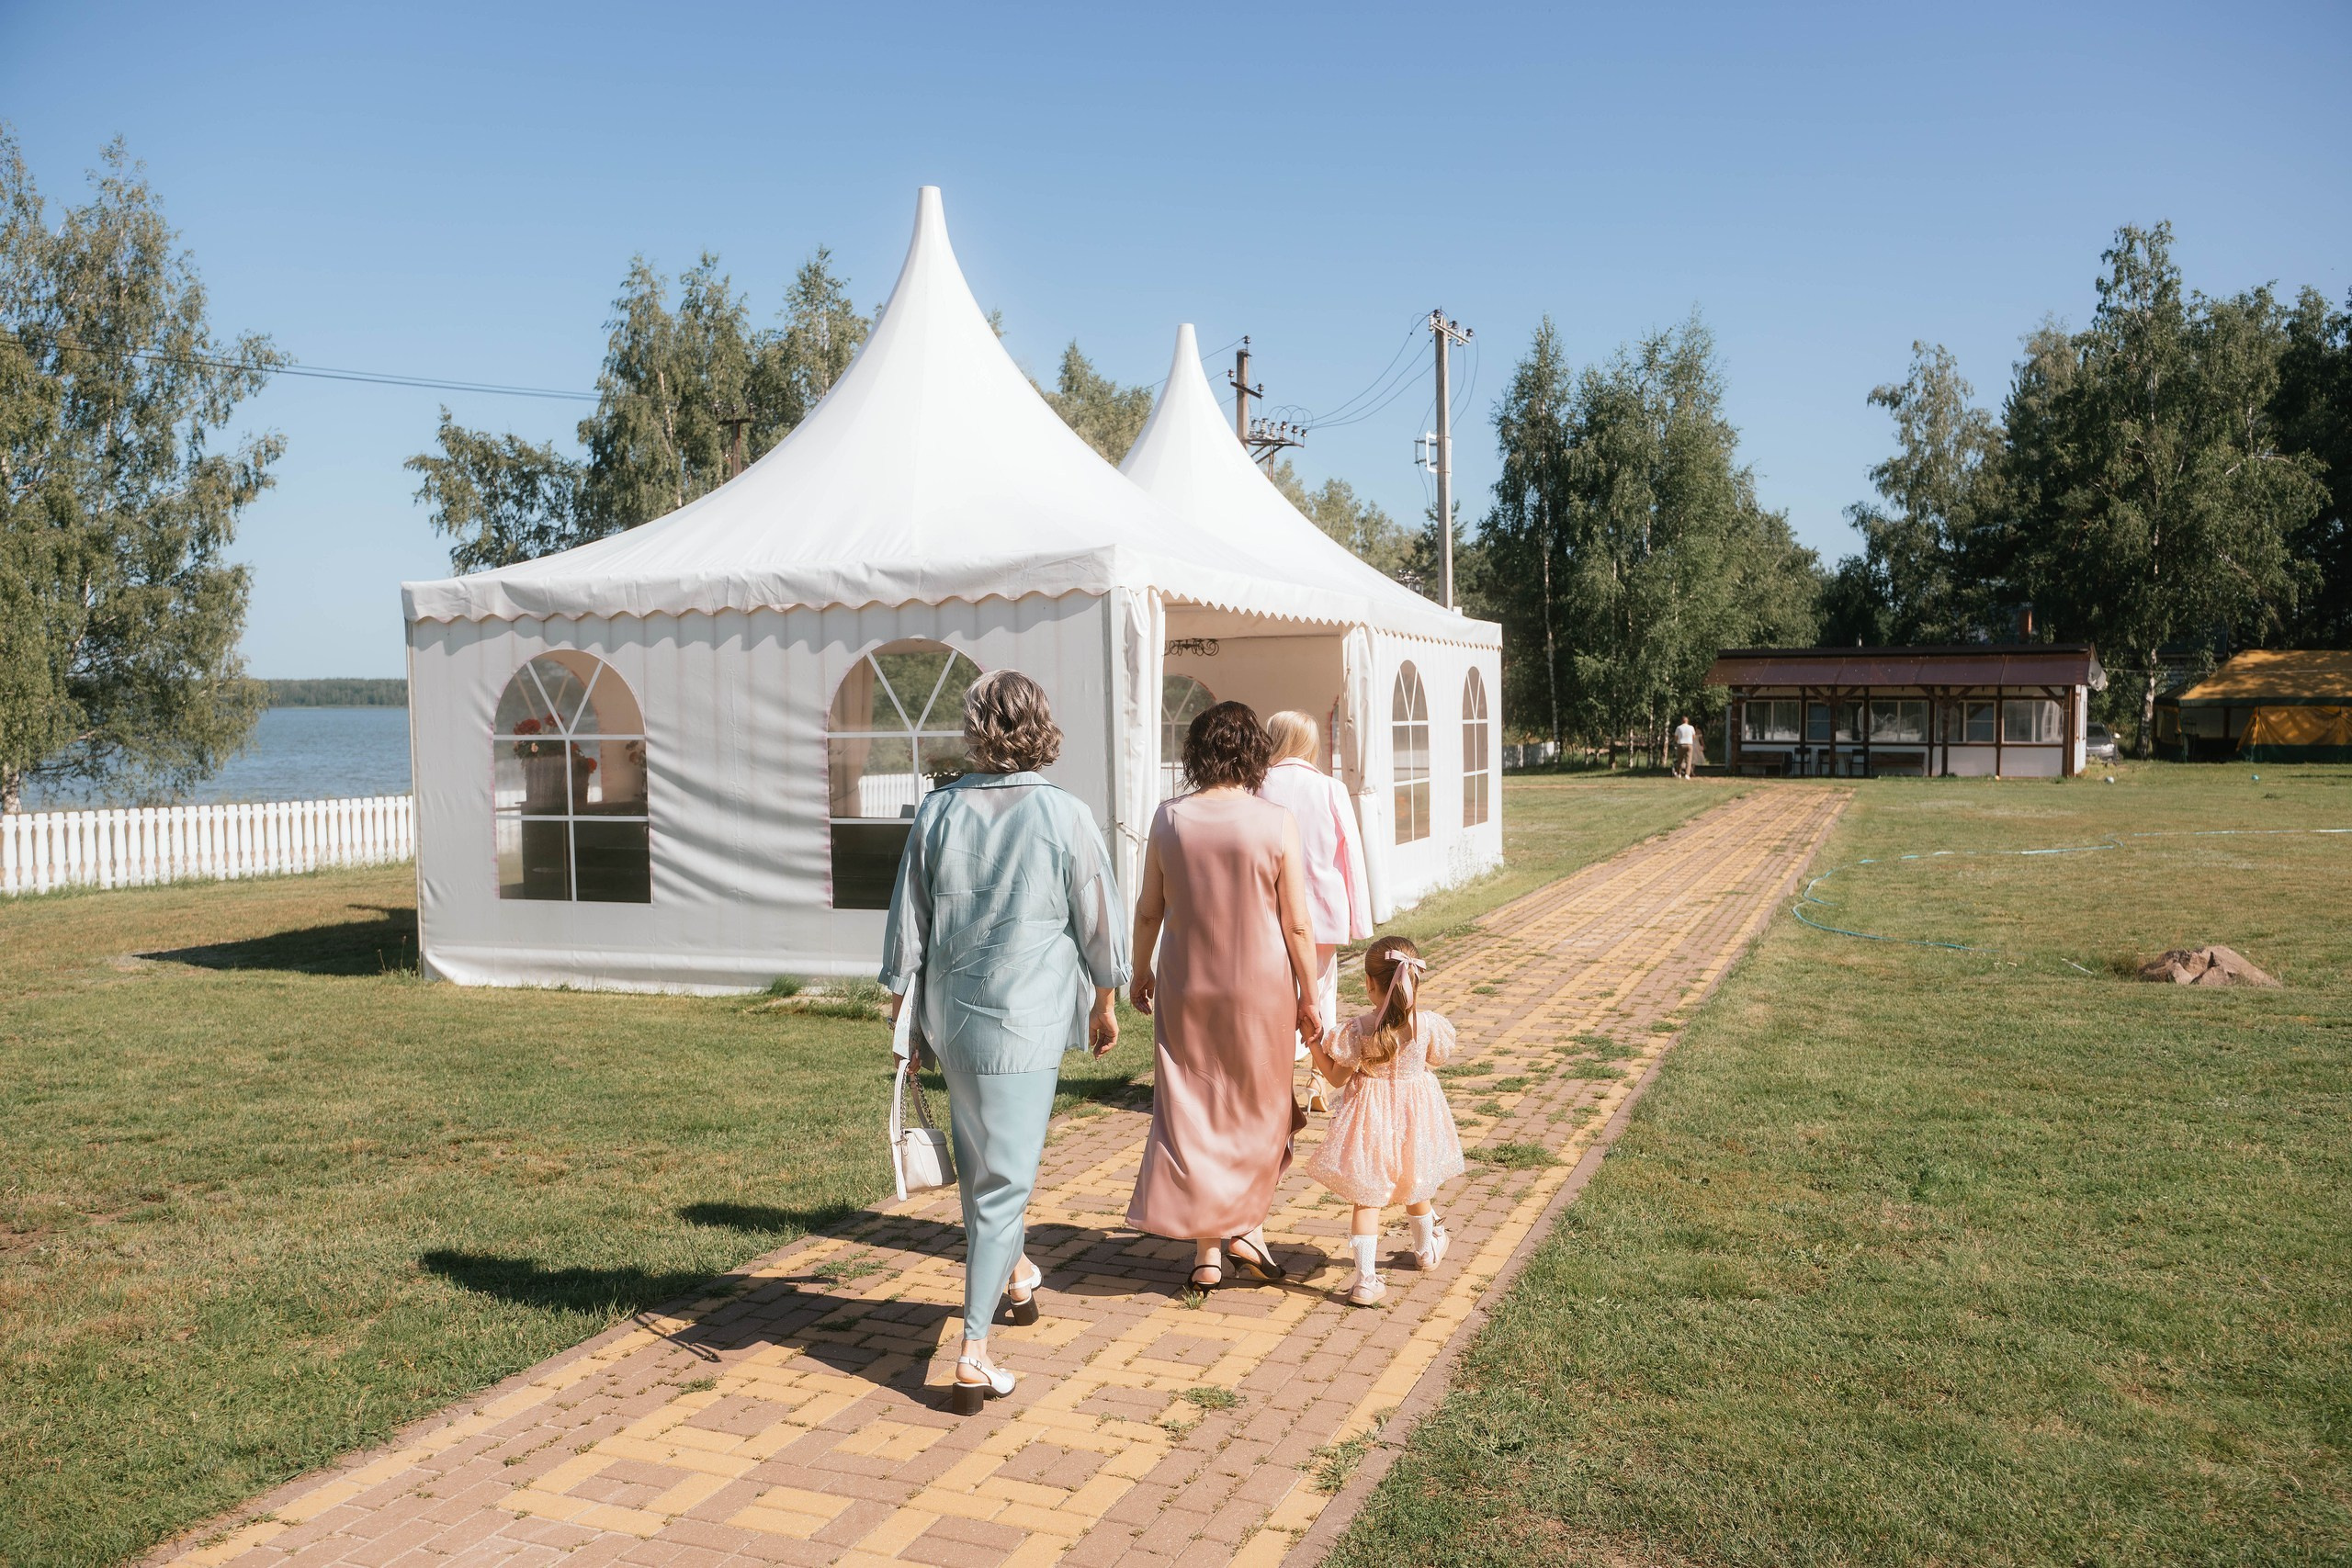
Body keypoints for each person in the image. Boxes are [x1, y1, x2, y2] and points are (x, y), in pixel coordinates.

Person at [879, 669, 1128, 1415]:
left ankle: (1016, 1273)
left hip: (951, 1018)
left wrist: (903, 1020)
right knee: (1003, 1182)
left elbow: (907, 927)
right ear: (1040, 724)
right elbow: (1099, 921)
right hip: (1026, 1022)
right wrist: (1106, 999)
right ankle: (974, 1351)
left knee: (987, 1168)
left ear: (976, 726)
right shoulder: (1066, 814)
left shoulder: (937, 812)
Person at [1127, 701, 1323, 1292]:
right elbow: (1296, 925)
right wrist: (1310, 996)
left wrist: (1141, 971)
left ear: (1197, 751)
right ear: (1252, 755)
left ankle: (1209, 1252)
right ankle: (1244, 1226)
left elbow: (1148, 910)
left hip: (1187, 985)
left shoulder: (1169, 819)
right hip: (1260, 990)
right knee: (1259, 1111)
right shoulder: (1275, 820)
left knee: (1195, 1111)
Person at [1306, 935, 1465, 1306]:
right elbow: (1437, 1059)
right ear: (1416, 981)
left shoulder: (1359, 1029)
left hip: (1370, 1120)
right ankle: (1426, 1250)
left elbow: (1336, 1078)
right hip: (1415, 1116)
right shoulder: (1427, 1026)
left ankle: (1365, 1281)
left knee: (1367, 1198)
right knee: (1416, 1181)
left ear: (1369, 983)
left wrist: (1314, 1042)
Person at [1255, 710, 1372, 1112]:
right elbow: (1352, 855)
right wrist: (1359, 916)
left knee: (1272, 995)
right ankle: (1317, 1081)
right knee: (1320, 994)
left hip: (1267, 908)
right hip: (1322, 911)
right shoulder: (1329, 788)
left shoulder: (1255, 786)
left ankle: (1275, 1083)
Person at [1674, 715, 1699, 779]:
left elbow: (1676, 737)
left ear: (1682, 721)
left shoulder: (1679, 728)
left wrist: (1677, 742)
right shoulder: (1691, 727)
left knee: (1680, 760)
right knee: (1689, 760)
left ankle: (1679, 773)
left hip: (1681, 744)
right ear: (1687, 721)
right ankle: (1687, 774)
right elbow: (1694, 736)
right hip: (1689, 744)